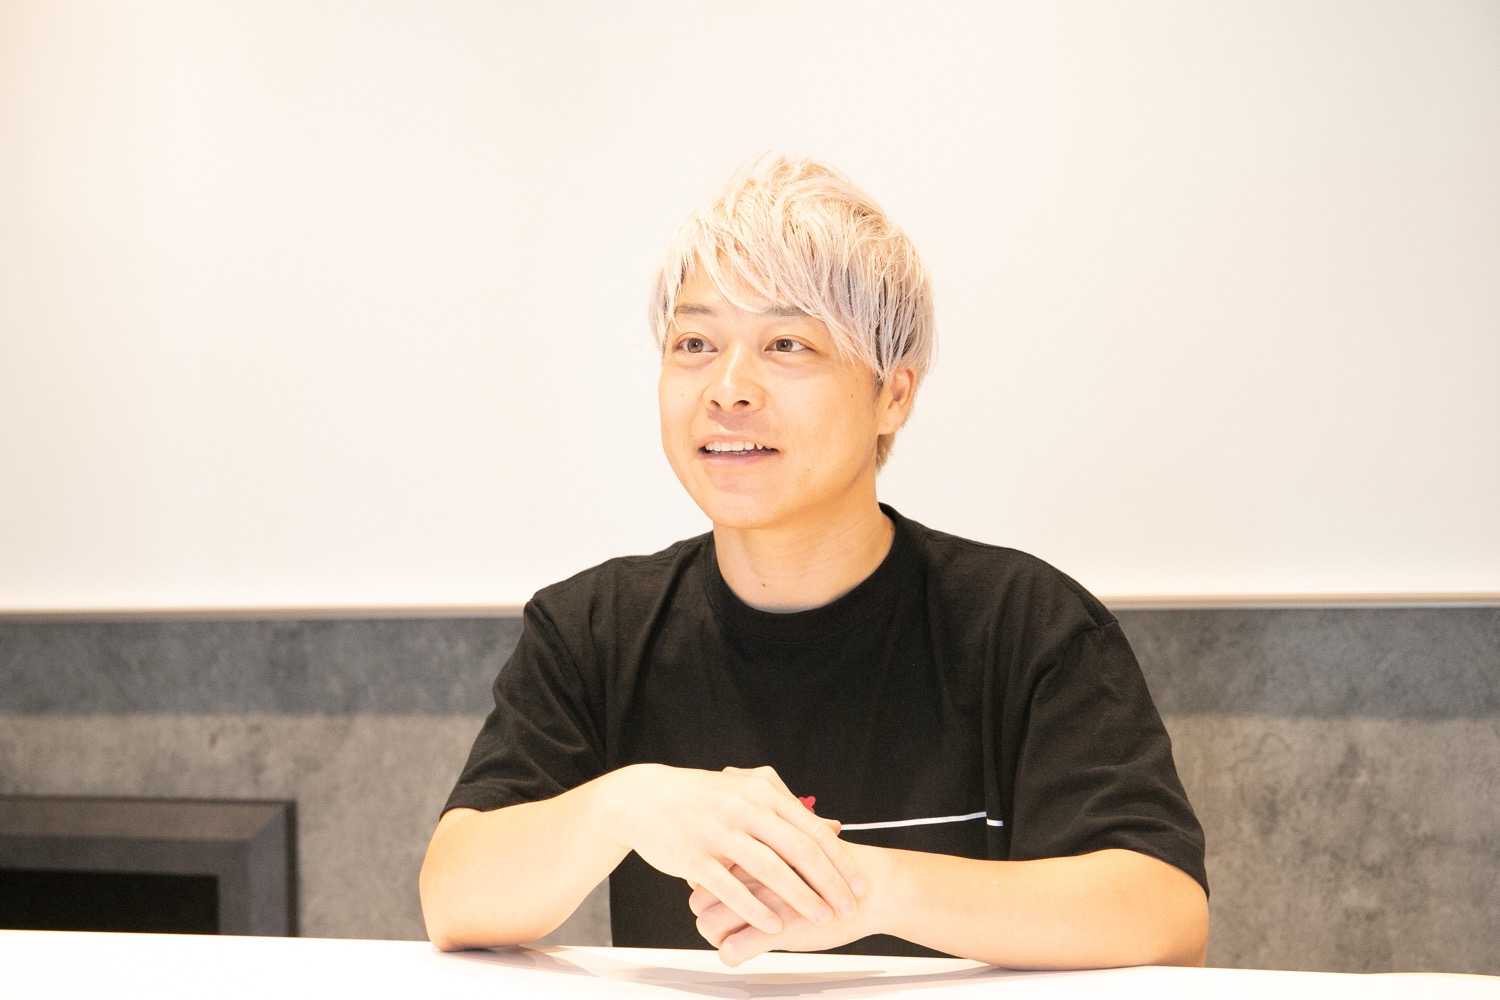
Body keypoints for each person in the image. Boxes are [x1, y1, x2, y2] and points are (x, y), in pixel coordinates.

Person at [419, 154, 1209, 968]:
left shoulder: (1024, 624)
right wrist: (626, 804)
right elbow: (454, 898)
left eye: (786, 344)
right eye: (695, 342)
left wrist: (860, 887)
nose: (728, 388)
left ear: (893, 394)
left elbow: (1164, 911)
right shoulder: (594, 628)